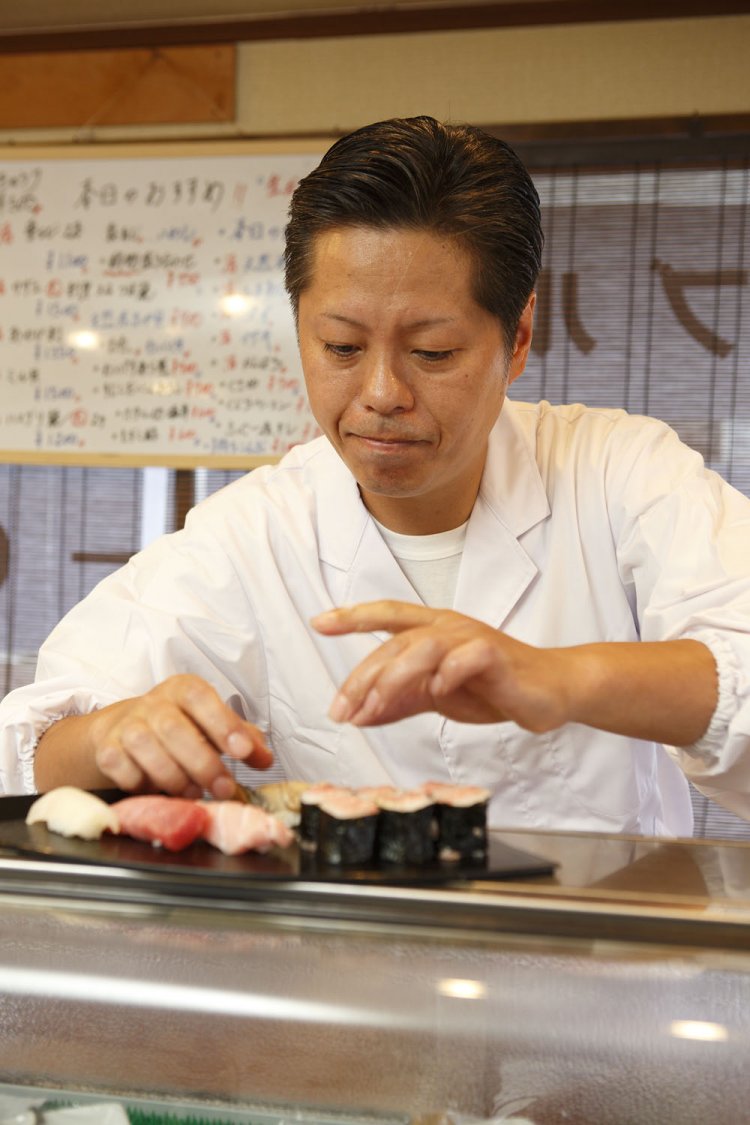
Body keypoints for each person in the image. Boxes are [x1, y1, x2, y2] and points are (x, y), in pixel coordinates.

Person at [1, 115, 749, 835]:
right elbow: (30, 746)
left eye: (432, 352)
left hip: (599, 954)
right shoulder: (254, 534)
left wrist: (560, 678)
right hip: (339, 959)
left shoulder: (620, 471)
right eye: (341, 347)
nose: (382, 393)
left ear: (516, 339)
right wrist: (108, 738)